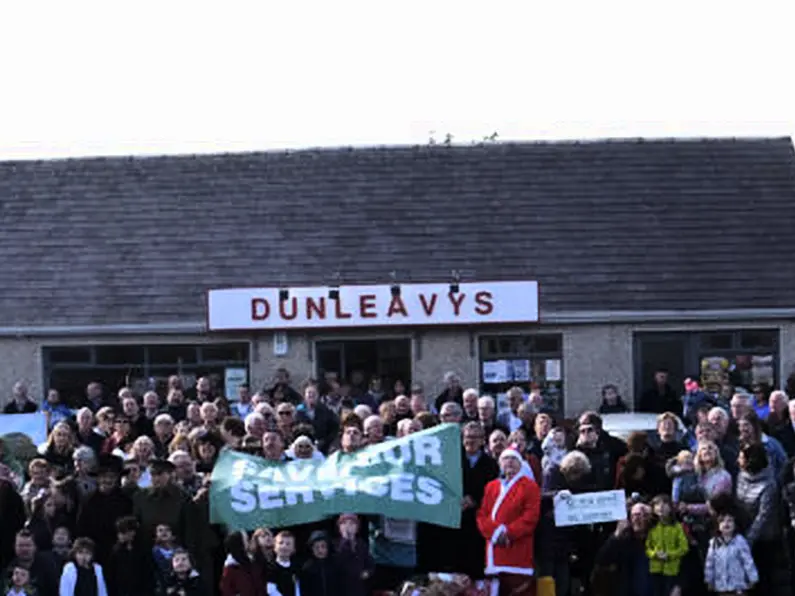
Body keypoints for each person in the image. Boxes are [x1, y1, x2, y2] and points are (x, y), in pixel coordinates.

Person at [477, 443, 541, 595]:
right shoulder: (491, 486)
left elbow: (530, 517)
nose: (509, 462)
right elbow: (482, 514)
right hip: (493, 550)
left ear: (520, 464)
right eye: (505, 459)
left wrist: (508, 532)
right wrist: (494, 532)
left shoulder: (529, 486)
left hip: (517, 551)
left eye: (513, 459)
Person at [704, 511, 758, 595]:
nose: (726, 523)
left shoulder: (740, 541)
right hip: (721, 585)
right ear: (718, 526)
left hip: (738, 585)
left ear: (735, 525)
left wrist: (753, 578)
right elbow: (710, 563)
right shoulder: (714, 543)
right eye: (722, 521)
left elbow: (748, 561)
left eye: (730, 520)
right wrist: (709, 580)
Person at [644, 494, 688, 596]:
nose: (661, 507)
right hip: (655, 569)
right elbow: (647, 548)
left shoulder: (677, 527)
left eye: (664, 504)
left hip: (672, 570)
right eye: (657, 504)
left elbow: (684, 548)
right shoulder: (652, 527)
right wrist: (654, 554)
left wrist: (669, 555)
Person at [219, 531, 266, 596]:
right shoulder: (230, 568)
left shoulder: (252, 561)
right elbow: (226, 589)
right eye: (246, 540)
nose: (248, 542)